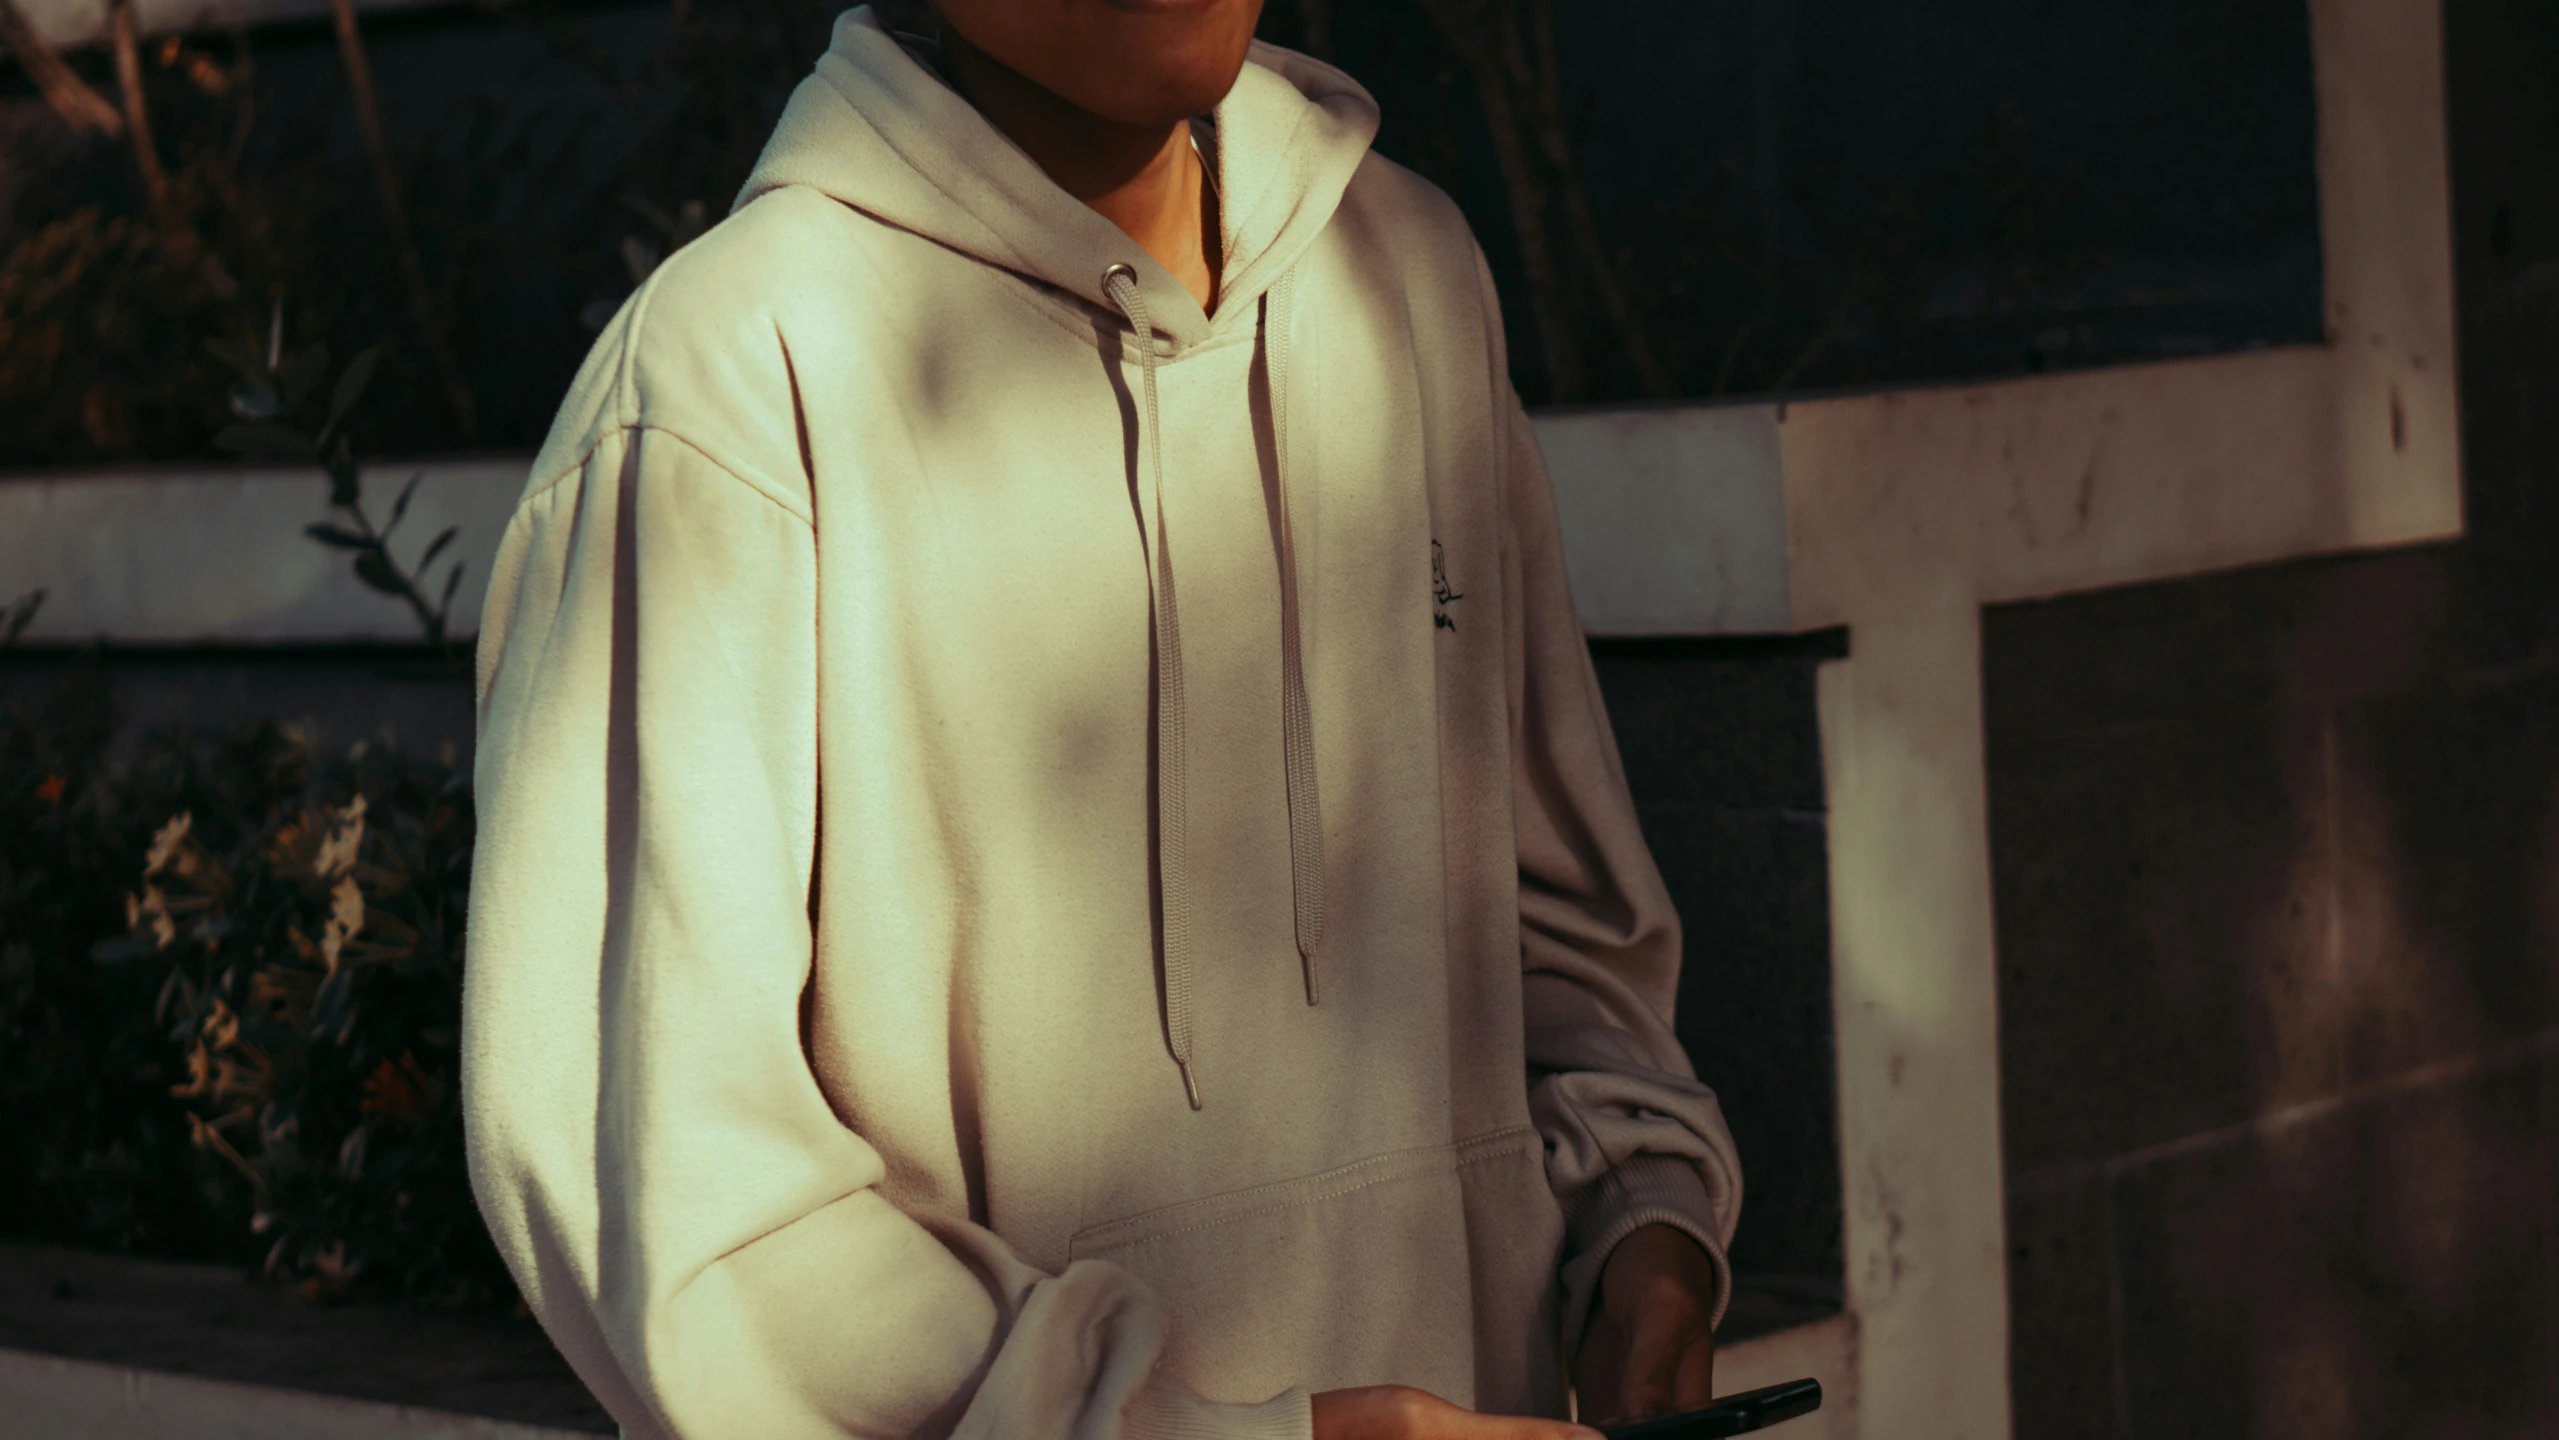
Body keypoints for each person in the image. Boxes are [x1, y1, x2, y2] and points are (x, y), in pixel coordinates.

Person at [460, 2, 1743, 1437]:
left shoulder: (1412, 278)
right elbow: (682, 1207)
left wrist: (1643, 1231)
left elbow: (1563, 946)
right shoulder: (728, 385)